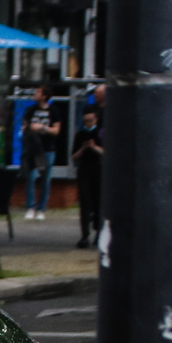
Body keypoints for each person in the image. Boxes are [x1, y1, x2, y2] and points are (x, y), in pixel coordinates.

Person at [70, 97, 105, 249]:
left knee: (99, 201)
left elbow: (106, 152)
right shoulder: (80, 134)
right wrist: (84, 148)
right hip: (84, 169)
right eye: (86, 121)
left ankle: (98, 232)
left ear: (95, 119)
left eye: (90, 120)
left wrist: (95, 147)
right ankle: (84, 234)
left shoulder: (101, 133)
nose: (88, 123)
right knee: (85, 202)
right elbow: (74, 156)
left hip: (98, 168)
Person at [20, 90, 59, 219]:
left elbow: (56, 130)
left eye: (38, 93)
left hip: (46, 149)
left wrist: (41, 128)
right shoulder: (30, 110)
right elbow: (24, 126)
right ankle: (30, 207)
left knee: (45, 178)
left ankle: (41, 208)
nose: (35, 95)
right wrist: (26, 130)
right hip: (33, 149)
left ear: (44, 96)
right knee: (31, 177)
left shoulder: (54, 111)